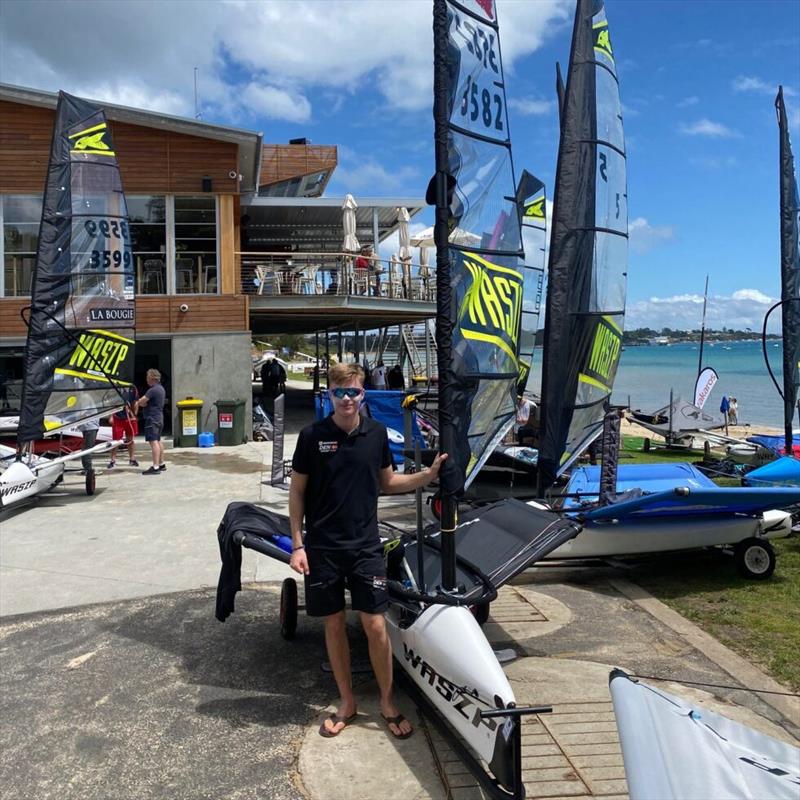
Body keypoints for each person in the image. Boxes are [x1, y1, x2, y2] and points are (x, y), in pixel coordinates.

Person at [289, 362, 446, 740]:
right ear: (330, 395)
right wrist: (297, 543)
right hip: (323, 547)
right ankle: (347, 702)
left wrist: (425, 477)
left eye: (354, 391)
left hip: (365, 547)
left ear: (363, 394)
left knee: (375, 624)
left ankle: (388, 702)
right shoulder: (312, 436)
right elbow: (297, 491)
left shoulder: (376, 435)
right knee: (334, 624)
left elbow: (387, 482)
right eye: (340, 392)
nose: (347, 399)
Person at [136, 368, 166, 475]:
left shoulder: (152, 390)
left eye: (147, 378)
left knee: (153, 442)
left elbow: (141, 401)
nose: (146, 380)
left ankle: (155, 466)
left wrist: (141, 403)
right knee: (158, 440)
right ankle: (161, 463)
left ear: (152, 378)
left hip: (152, 418)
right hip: (159, 417)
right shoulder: (161, 389)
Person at [107, 385, 140, 468]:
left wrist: (134, 415)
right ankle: (112, 460)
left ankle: (132, 459)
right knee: (116, 441)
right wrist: (111, 416)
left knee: (130, 439)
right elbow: (111, 402)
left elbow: (135, 402)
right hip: (117, 417)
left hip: (129, 417)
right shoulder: (115, 386)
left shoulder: (132, 388)